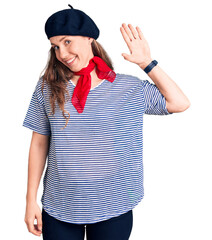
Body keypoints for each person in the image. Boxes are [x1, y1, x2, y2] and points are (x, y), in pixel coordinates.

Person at [23, 4, 190, 240]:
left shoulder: (128, 87)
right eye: (55, 46)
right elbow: (39, 143)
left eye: (67, 41)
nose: (61, 53)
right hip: (60, 205)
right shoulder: (47, 87)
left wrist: (146, 63)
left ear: (89, 37)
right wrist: (30, 201)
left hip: (114, 203)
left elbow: (179, 103)